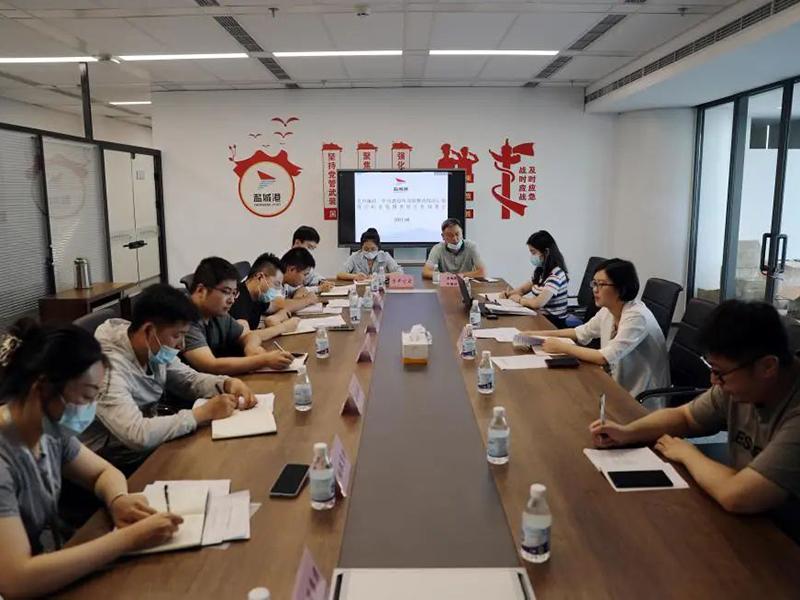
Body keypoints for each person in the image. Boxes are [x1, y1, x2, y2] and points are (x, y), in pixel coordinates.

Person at [0, 319, 183, 597]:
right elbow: (17, 580)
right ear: (42, 389)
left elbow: (102, 473)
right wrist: (129, 539)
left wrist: (118, 499)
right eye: (86, 396)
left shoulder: (46, 432)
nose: (90, 409)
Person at [590, 300, 800, 538]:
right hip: (752, 518)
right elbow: (686, 417)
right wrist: (628, 433)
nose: (714, 381)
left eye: (719, 372)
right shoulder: (741, 384)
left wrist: (687, 453)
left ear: (768, 367)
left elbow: (737, 495)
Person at [82, 283, 257, 471]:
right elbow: (137, 434)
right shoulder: (106, 370)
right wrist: (202, 414)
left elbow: (188, 380)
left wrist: (226, 383)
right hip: (109, 455)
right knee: (201, 460)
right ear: (148, 330)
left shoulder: (151, 347)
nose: (181, 345)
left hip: (148, 429)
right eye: (177, 336)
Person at [522, 258, 669, 397]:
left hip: (640, 397)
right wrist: (538, 334)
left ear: (621, 288)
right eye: (594, 283)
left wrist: (562, 347)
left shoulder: (637, 317)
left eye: (601, 284)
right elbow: (580, 332)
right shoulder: (609, 309)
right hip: (615, 383)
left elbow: (603, 357)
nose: (595, 289)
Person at [182, 257, 294, 375]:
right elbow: (211, 365)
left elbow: (248, 335)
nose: (231, 300)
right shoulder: (184, 319)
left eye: (234, 293)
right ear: (201, 290)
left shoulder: (218, 313)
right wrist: (263, 360)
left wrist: (251, 348)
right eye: (226, 292)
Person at [501, 230, 569, 328]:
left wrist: (519, 299)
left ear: (546, 252)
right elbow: (523, 290)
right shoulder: (540, 271)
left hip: (553, 323)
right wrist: (508, 294)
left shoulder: (556, 274)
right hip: (539, 317)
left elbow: (537, 303)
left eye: (533, 252)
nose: (532, 256)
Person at [229, 252, 300, 338]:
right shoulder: (237, 298)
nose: (277, 290)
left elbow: (276, 306)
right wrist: (284, 327)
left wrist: (278, 317)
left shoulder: (258, 296)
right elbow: (246, 337)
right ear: (259, 277)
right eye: (276, 284)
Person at [337, 228, 403, 282]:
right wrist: (355, 276)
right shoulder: (355, 256)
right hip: (360, 290)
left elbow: (400, 273)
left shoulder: (385, 256)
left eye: (373, 249)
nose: (369, 252)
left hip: (380, 289)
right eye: (366, 249)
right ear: (361, 247)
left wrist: (381, 276)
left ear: (378, 248)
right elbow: (340, 274)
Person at [269, 247, 321, 314]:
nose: (305, 279)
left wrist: (299, 298)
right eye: (304, 274)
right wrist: (307, 300)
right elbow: (279, 306)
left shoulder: (285, 281)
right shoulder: (272, 279)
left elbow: (300, 289)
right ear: (291, 269)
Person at [290, 225, 334, 293]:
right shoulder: (285, 263)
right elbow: (295, 291)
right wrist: (318, 289)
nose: (310, 252)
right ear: (297, 243)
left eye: (313, 249)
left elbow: (311, 277)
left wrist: (322, 282)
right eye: (309, 247)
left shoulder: (302, 261)